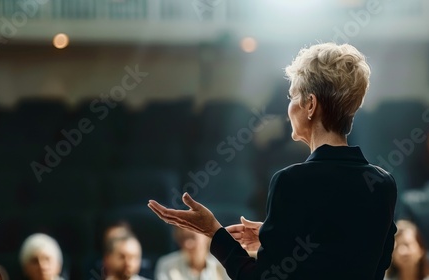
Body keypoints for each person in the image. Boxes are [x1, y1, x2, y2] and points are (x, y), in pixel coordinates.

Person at [148, 42, 398, 279]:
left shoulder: (291, 181)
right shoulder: (383, 184)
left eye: (292, 96)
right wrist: (277, 238)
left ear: (310, 104)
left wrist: (214, 233)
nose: (288, 107)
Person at [155, 226, 230, 280]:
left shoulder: (223, 266)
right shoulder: (167, 265)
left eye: (192, 237)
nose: (187, 244)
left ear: (207, 237)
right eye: (182, 238)